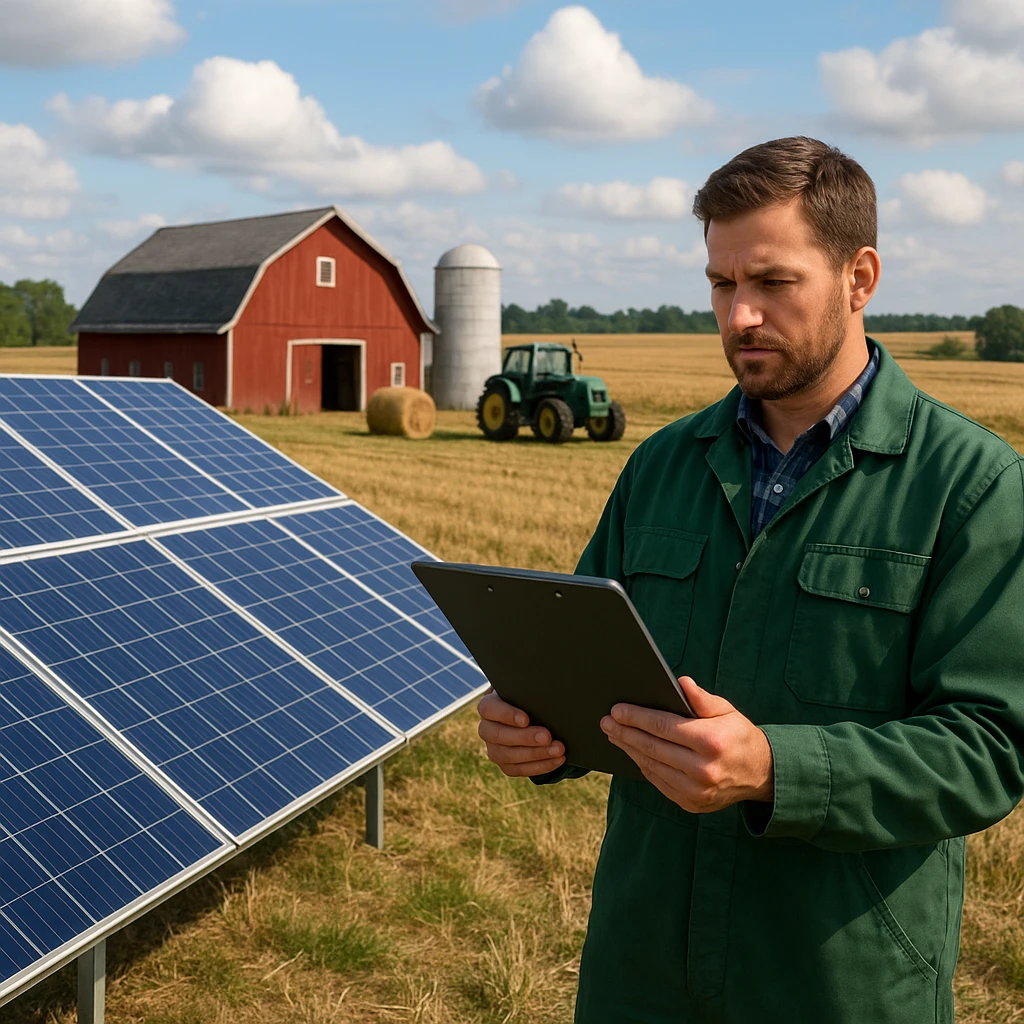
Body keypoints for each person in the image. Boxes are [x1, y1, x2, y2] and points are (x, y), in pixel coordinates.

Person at [476, 136, 1024, 1023]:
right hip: (642, 969)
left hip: (837, 980)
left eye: (772, 282)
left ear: (860, 277)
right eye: (722, 285)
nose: (739, 317)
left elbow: (990, 749)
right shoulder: (661, 465)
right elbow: (581, 668)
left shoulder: (970, 487)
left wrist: (777, 768)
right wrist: (535, 734)